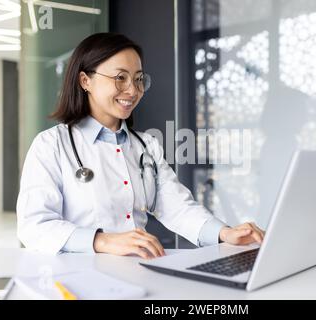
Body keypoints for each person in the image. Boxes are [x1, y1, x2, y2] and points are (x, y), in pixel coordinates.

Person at [16, 32, 264, 258]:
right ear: (85, 81)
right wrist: (101, 241)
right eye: (120, 78)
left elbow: (177, 207)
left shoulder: (147, 145)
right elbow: (33, 226)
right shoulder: (52, 145)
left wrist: (225, 233)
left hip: (139, 270)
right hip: (77, 278)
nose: (132, 90)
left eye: (138, 79)